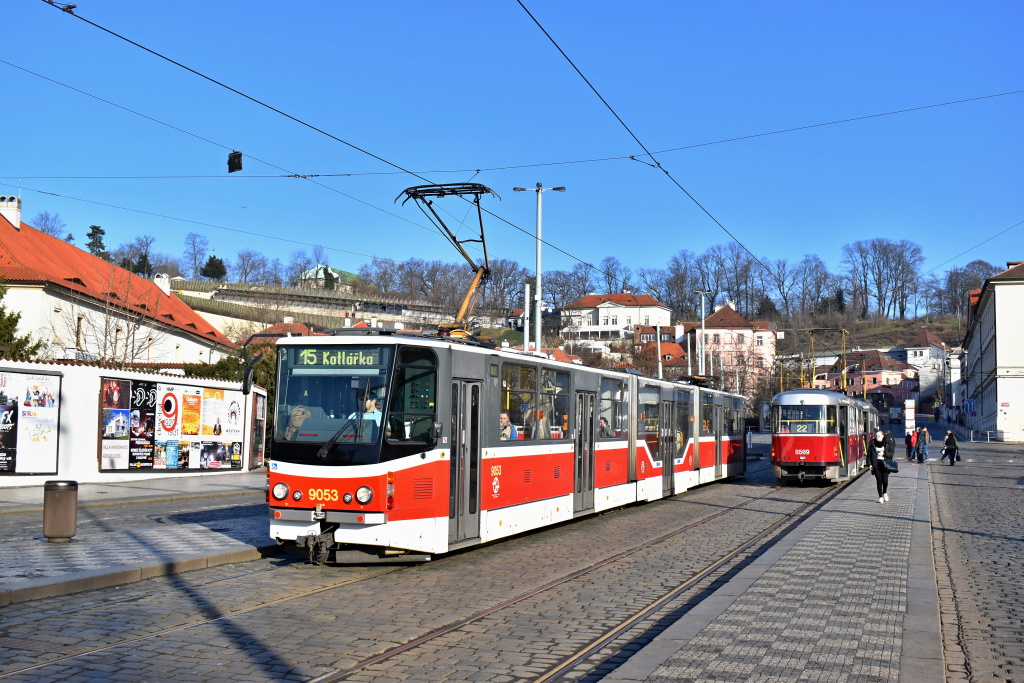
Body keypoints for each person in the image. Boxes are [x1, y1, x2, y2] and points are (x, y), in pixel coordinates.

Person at [867, 429, 894, 503]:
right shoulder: (872, 444)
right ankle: (880, 496)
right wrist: (869, 464)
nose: (877, 437)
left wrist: (884, 454)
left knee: (885, 481)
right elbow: (868, 456)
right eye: (876, 436)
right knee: (879, 480)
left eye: (879, 436)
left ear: (883, 436)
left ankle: (884, 492)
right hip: (876, 464)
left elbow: (891, 454)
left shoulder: (888, 443)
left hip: (885, 464)